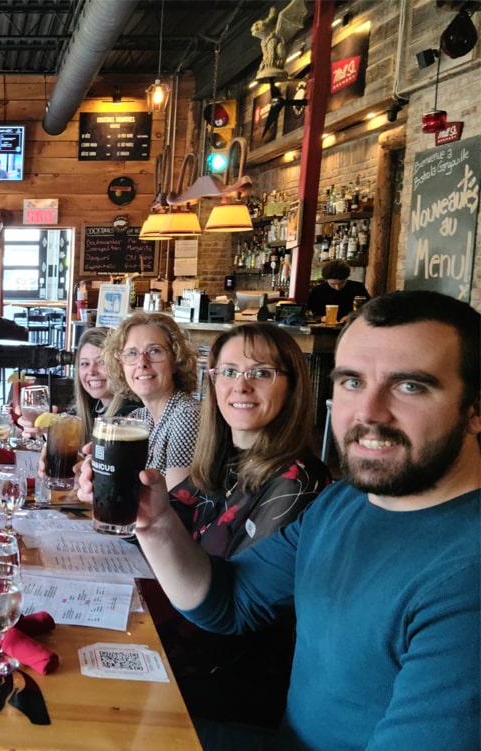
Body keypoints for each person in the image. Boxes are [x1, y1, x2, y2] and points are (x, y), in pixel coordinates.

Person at [105, 290, 480, 751]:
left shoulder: (466, 578)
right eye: (353, 382)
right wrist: (154, 520)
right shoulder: (341, 504)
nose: (368, 412)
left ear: (475, 408)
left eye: (410, 386)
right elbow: (230, 603)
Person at [146, 323, 333, 740]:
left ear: (292, 386)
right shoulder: (221, 461)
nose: (241, 386)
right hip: (183, 652)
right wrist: (118, 495)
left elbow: (235, 615)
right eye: (228, 372)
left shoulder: (298, 479)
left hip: (230, 689)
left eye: (261, 373)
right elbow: (162, 528)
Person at [102, 311, 200, 489]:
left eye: (154, 351)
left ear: (175, 361)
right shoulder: (139, 418)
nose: (142, 362)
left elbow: (176, 499)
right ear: (120, 365)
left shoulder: (187, 414)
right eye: (132, 353)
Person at [306, 259, 370, 322]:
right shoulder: (318, 291)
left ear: (347, 278)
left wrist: (353, 316)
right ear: (326, 280)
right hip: (325, 326)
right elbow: (309, 313)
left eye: (341, 283)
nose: (337, 287)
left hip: (352, 325)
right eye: (333, 284)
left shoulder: (358, 287)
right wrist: (321, 318)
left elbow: (369, 309)